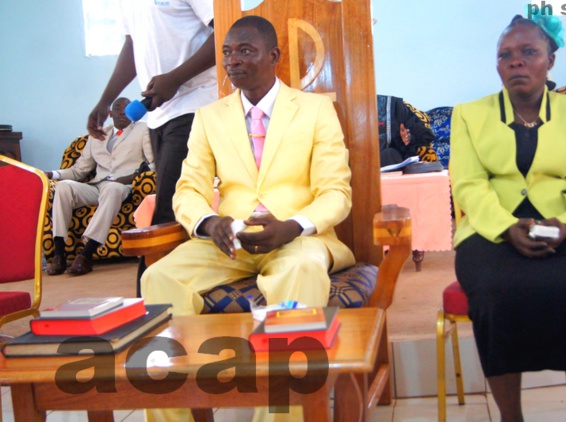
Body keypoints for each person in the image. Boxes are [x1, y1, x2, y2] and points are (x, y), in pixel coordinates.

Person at [141, 16, 355, 422]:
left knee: (301, 271)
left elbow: (336, 193)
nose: (233, 60)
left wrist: (293, 226)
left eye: (245, 51)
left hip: (298, 237)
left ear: (272, 56)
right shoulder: (209, 117)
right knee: (158, 278)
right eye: (226, 52)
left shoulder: (315, 110)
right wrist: (208, 223)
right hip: (228, 242)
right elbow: (188, 190)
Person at [450, 13, 566, 422]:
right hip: (491, 229)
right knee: (494, 291)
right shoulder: (470, 115)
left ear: (550, 60)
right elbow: (468, 184)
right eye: (506, 55)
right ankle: (511, 417)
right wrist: (506, 227)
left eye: (528, 52)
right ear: (497, 65)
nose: (516, 62)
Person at [86, 0, 218, 288]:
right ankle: (172, 299)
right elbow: (133, 45)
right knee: (175, 210)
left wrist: (176, 78)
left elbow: (224, 32)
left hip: (197, 105)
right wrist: (106, 99)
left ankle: (148, 306)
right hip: (159, 114)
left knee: (167, 213)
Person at [47, 97, 153, 276]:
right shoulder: (98, 134)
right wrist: (52, 174)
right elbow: (79, 170)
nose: (122, 111)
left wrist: (130, 178)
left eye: (126, 107)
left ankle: (86, 254)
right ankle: (59, 253)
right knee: (63, 187)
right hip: (97, 185)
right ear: (110, 114)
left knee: (112, 189)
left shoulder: (142, 129)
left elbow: (154, 164)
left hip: (123, 186)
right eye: (117, 107)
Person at [377, 94, 435, 167]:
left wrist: (409, 137)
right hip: (360, 163)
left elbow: (423, 134)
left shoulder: (392, 106)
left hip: (388, 162)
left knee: (389, 154)